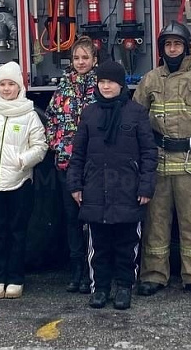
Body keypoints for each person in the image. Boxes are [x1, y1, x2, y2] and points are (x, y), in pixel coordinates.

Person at [133, 22, 191, 302]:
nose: (172, 49)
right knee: (155, 222)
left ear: (187, 47)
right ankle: (152, 275)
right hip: (159, 163)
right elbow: (135, 121)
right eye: (167, 45)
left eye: (177, 44)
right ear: (162, 49)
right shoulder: (150, 80)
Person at [67, 60, 157, 310]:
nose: (106, 86)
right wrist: (75, 185)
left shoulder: (136, 112)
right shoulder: (90, 113)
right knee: (99, 245)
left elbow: (149, 152)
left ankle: (124, 287)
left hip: (128, 190)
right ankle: (101, 288)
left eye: (111, 82)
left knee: (127, 245)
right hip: (95, 189)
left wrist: (145, 186)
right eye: (102, 82)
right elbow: (79, 153)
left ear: (121, 84)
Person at [0, 62, 48, 300]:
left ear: (20, 87)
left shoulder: (29, 115)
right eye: (3, 84)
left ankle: (15, 278)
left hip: (19, 182)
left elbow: (40, 146)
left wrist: (22, 161)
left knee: (17, 231)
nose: (7, 89)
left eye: (11, 84)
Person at [45, 36, 99, 293]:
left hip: (95, 165)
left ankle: (94, 271)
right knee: (71, 218)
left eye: (85, 58)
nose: (80, 62)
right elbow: (51, 121)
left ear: (94, 60)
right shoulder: (62, 89)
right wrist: (59, 146)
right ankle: (76, 270)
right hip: (66, 165)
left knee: (94, 218)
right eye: (76, 58)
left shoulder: (102, 88)